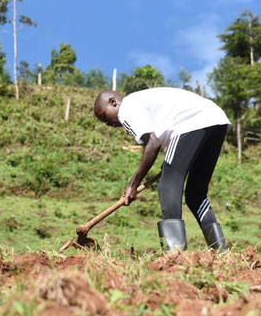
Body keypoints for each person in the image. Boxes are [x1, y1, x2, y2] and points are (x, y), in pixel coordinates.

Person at [93, 87, 231, 252]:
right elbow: (163, 143)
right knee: (196, 195)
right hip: (216, 120)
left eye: (104, 116)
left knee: (167, 186)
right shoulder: (141, 102)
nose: (108, 124)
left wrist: (133, 185)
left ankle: (174, 254)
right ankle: (220, 251)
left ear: (113, 102)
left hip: (191, 123)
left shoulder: (126, 109)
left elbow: (152, 143)